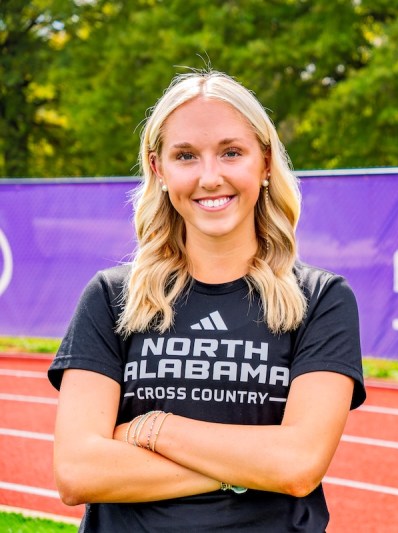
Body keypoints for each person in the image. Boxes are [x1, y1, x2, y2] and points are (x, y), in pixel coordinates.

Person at [48, 70, 366, 532]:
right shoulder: (111, 296)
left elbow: (297, 467)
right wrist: (250, 468)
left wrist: (155, 429)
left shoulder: (320, 300)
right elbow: (78, 472)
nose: (210, 176)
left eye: (232, 152)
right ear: (159, 170)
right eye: (186, 156)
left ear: (265, 162)